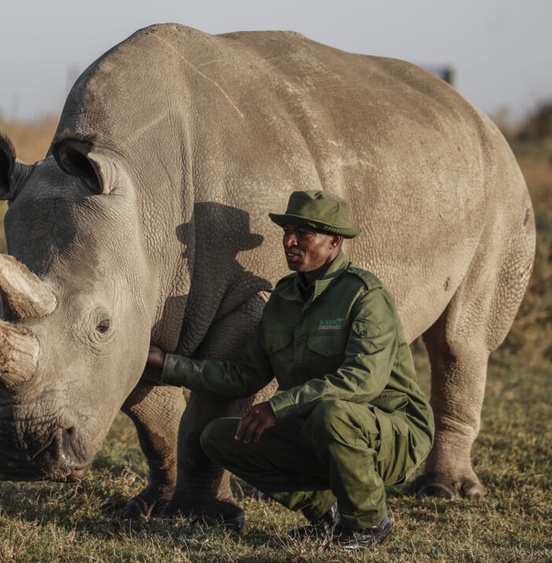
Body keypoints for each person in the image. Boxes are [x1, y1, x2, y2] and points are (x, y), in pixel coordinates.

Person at [146, 190, 434, 551]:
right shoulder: (282, 299)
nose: (290, 241)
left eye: (304, 233)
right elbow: (244, 375)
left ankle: (368, 523)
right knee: (219, 437)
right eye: (287, 230)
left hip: (393, 432)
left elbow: (364, 380)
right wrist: (165, 365)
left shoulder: (365, 294)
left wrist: (278, 407)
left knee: (332, 414)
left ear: (335, 242)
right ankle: (327, 517)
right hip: (322, 429)